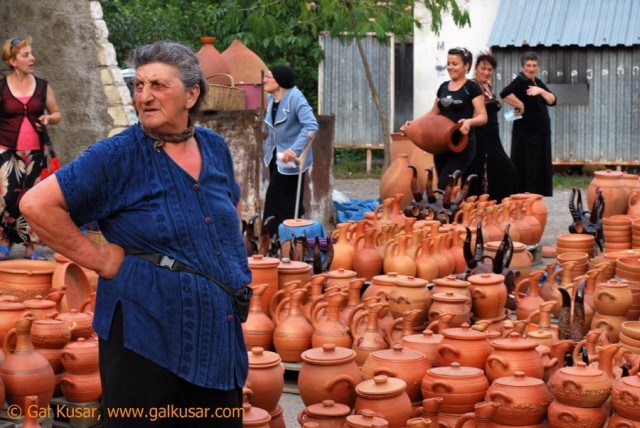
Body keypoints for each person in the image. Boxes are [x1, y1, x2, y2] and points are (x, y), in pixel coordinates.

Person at [20, 41, 249, 427]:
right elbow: (36, 205)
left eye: (158, 85)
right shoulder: (118, 156)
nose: (144, 96)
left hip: (216, 338)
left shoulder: (214, 147)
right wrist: (100, 259)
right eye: (139, 85)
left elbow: (230, 210)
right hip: (145, 338)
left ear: (191, 94)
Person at [0, 37, 61, 260]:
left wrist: (48, 118)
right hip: (6, 149)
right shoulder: (2, 87)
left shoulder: (43, 85)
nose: (32, 58)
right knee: (8, 197)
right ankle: (4, 239)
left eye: (31, 53)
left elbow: (57, 114)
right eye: (26, 55)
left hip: (36, 152)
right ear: (13, 61)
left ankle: (30, 249)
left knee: (30, 199)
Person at [401, 47, 487, 191]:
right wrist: (413, 124)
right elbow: (434, 113)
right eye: (448, 63)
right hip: (441, 145)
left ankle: (447, 212)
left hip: (462, 145)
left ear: (466, 66)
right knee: (444, 184)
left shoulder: (472, 88)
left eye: (455, 64)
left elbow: (483, 116)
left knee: (445, 184)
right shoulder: (443, 87)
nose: (450, 67)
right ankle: (453, 212)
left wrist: (469, 122)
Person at [262, 64, 318, 237]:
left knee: (274, 199)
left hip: (291, 160)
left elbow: (311, 125)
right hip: (275, 157)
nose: (265, 80)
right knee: (286, 200)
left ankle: (271, 240)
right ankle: (285, 240)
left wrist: (294, 150)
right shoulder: (272, 99)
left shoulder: (295, 97)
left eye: (269, 77)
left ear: (280, 80)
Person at [500, 51, 556, 196]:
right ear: (523, 66)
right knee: (528, 168)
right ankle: (525, 198)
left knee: (539, 169)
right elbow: (504, 93)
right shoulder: (519, 81)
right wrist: (520, 104)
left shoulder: (536, 82)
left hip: (541, 132)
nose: (531, 69)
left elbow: (552, 100)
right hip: (527, 135)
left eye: (534, 65)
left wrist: (540, 90)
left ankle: (536, 196)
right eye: (528, 66)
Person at [467, 52, 518, 201]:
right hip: (481, 136)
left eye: (489, 70)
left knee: (497, 170)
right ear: (475, 68)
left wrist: (516, 110)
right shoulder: (473, 86)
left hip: (493, 137)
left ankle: (496, 202)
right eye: (483, 68)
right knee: (507, 169)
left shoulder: (488, 86)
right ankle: (482, 202)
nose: (486, 72)